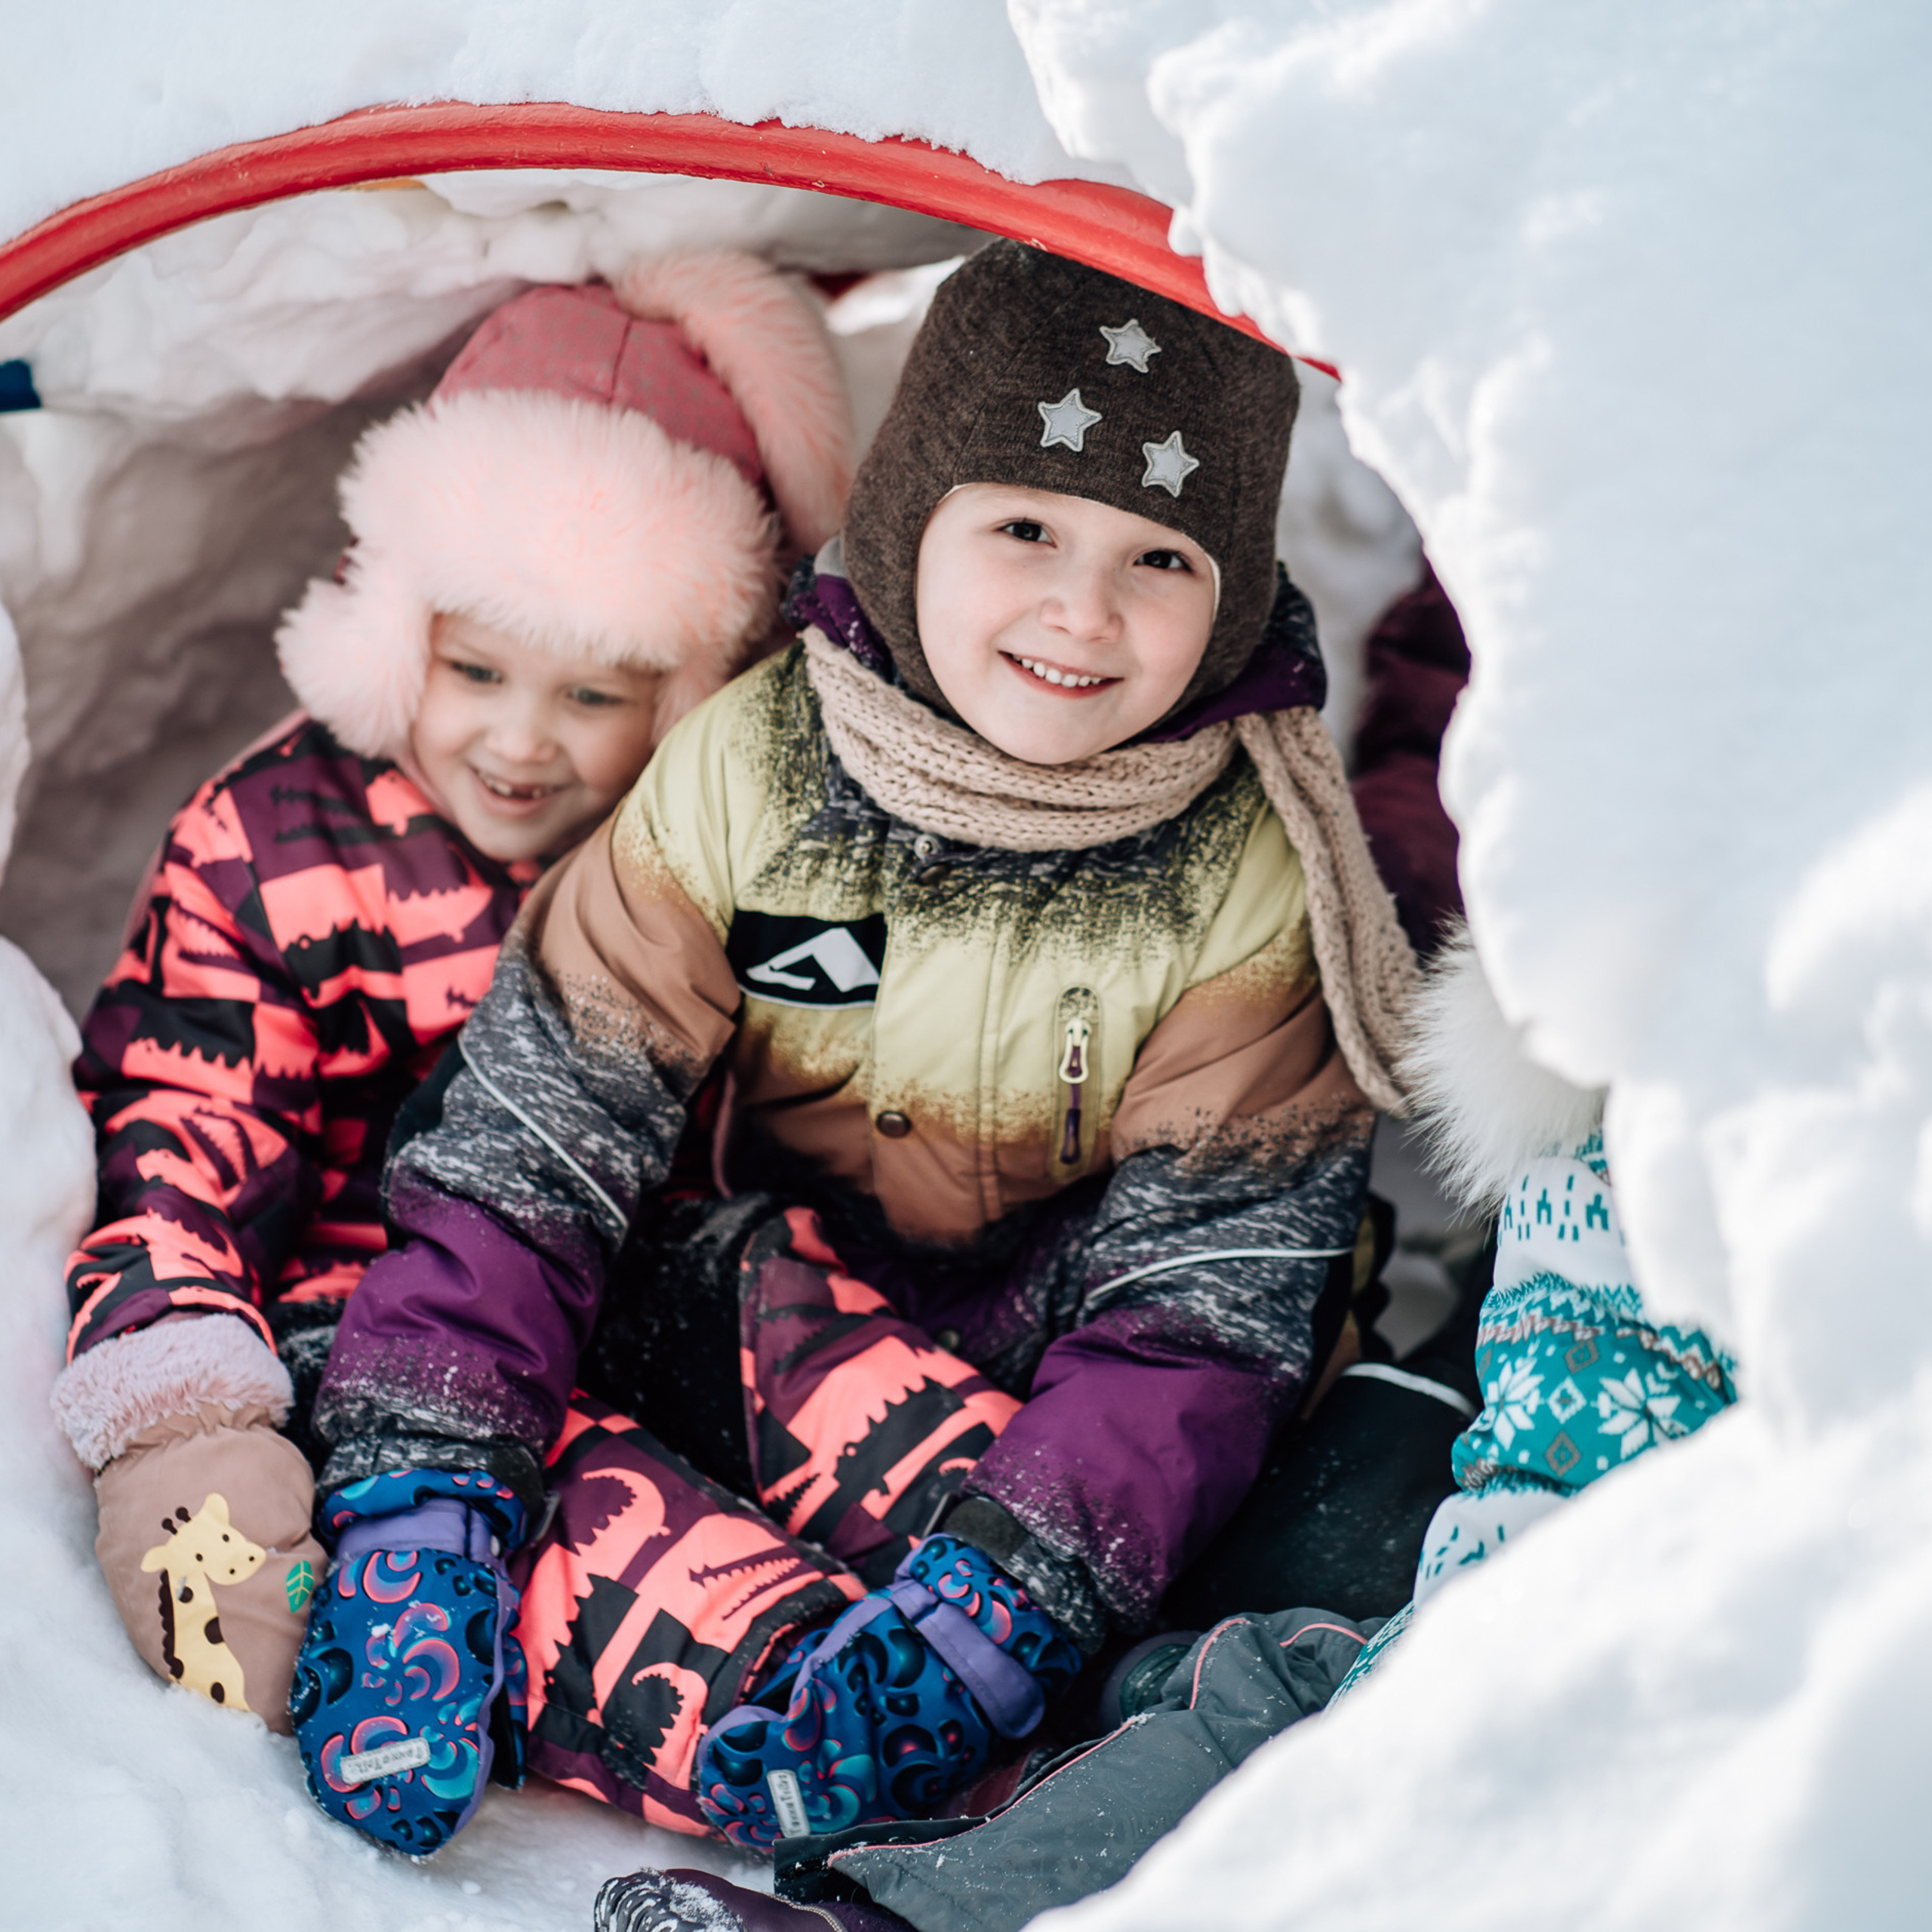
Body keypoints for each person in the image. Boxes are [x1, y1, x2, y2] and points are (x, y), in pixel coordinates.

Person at [293, 238, 1421, 1857]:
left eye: (1157, 559)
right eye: (1023, 526)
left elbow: (1199, 1312)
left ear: (1232, 591)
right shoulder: (753, 767)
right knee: (607, 1396)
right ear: (909, 518)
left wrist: (1003, 1600)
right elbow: (537, 1133)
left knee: (1031, 1579)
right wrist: (423, 1471)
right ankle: (488, 1583)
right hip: (768, 1301)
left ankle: (983, 1750)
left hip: (1053, 1402)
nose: (1078, 611)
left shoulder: (1241, 881)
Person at [48, 254, 857, 1752]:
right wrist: (184, 1413)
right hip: (377, 1327)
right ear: (390, 629)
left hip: (668, 1289)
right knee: (652, 1584)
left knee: (866, 1403)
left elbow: (849, 1085)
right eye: (473, 665)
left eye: (596, 693)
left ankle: (1031, 1643)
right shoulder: (277, 844)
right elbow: (179, 1133)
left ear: (688, 699)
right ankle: (813, 1730)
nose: (519, 739)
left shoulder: (713, 855)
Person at [589, 928, 1737, 1932]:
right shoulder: (1643, 1123)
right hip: (1539, 1607)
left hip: (1745, 1696)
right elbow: (1551, 1459)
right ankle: (991, 1827)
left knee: (1293, 1680)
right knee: (1277, 1666)